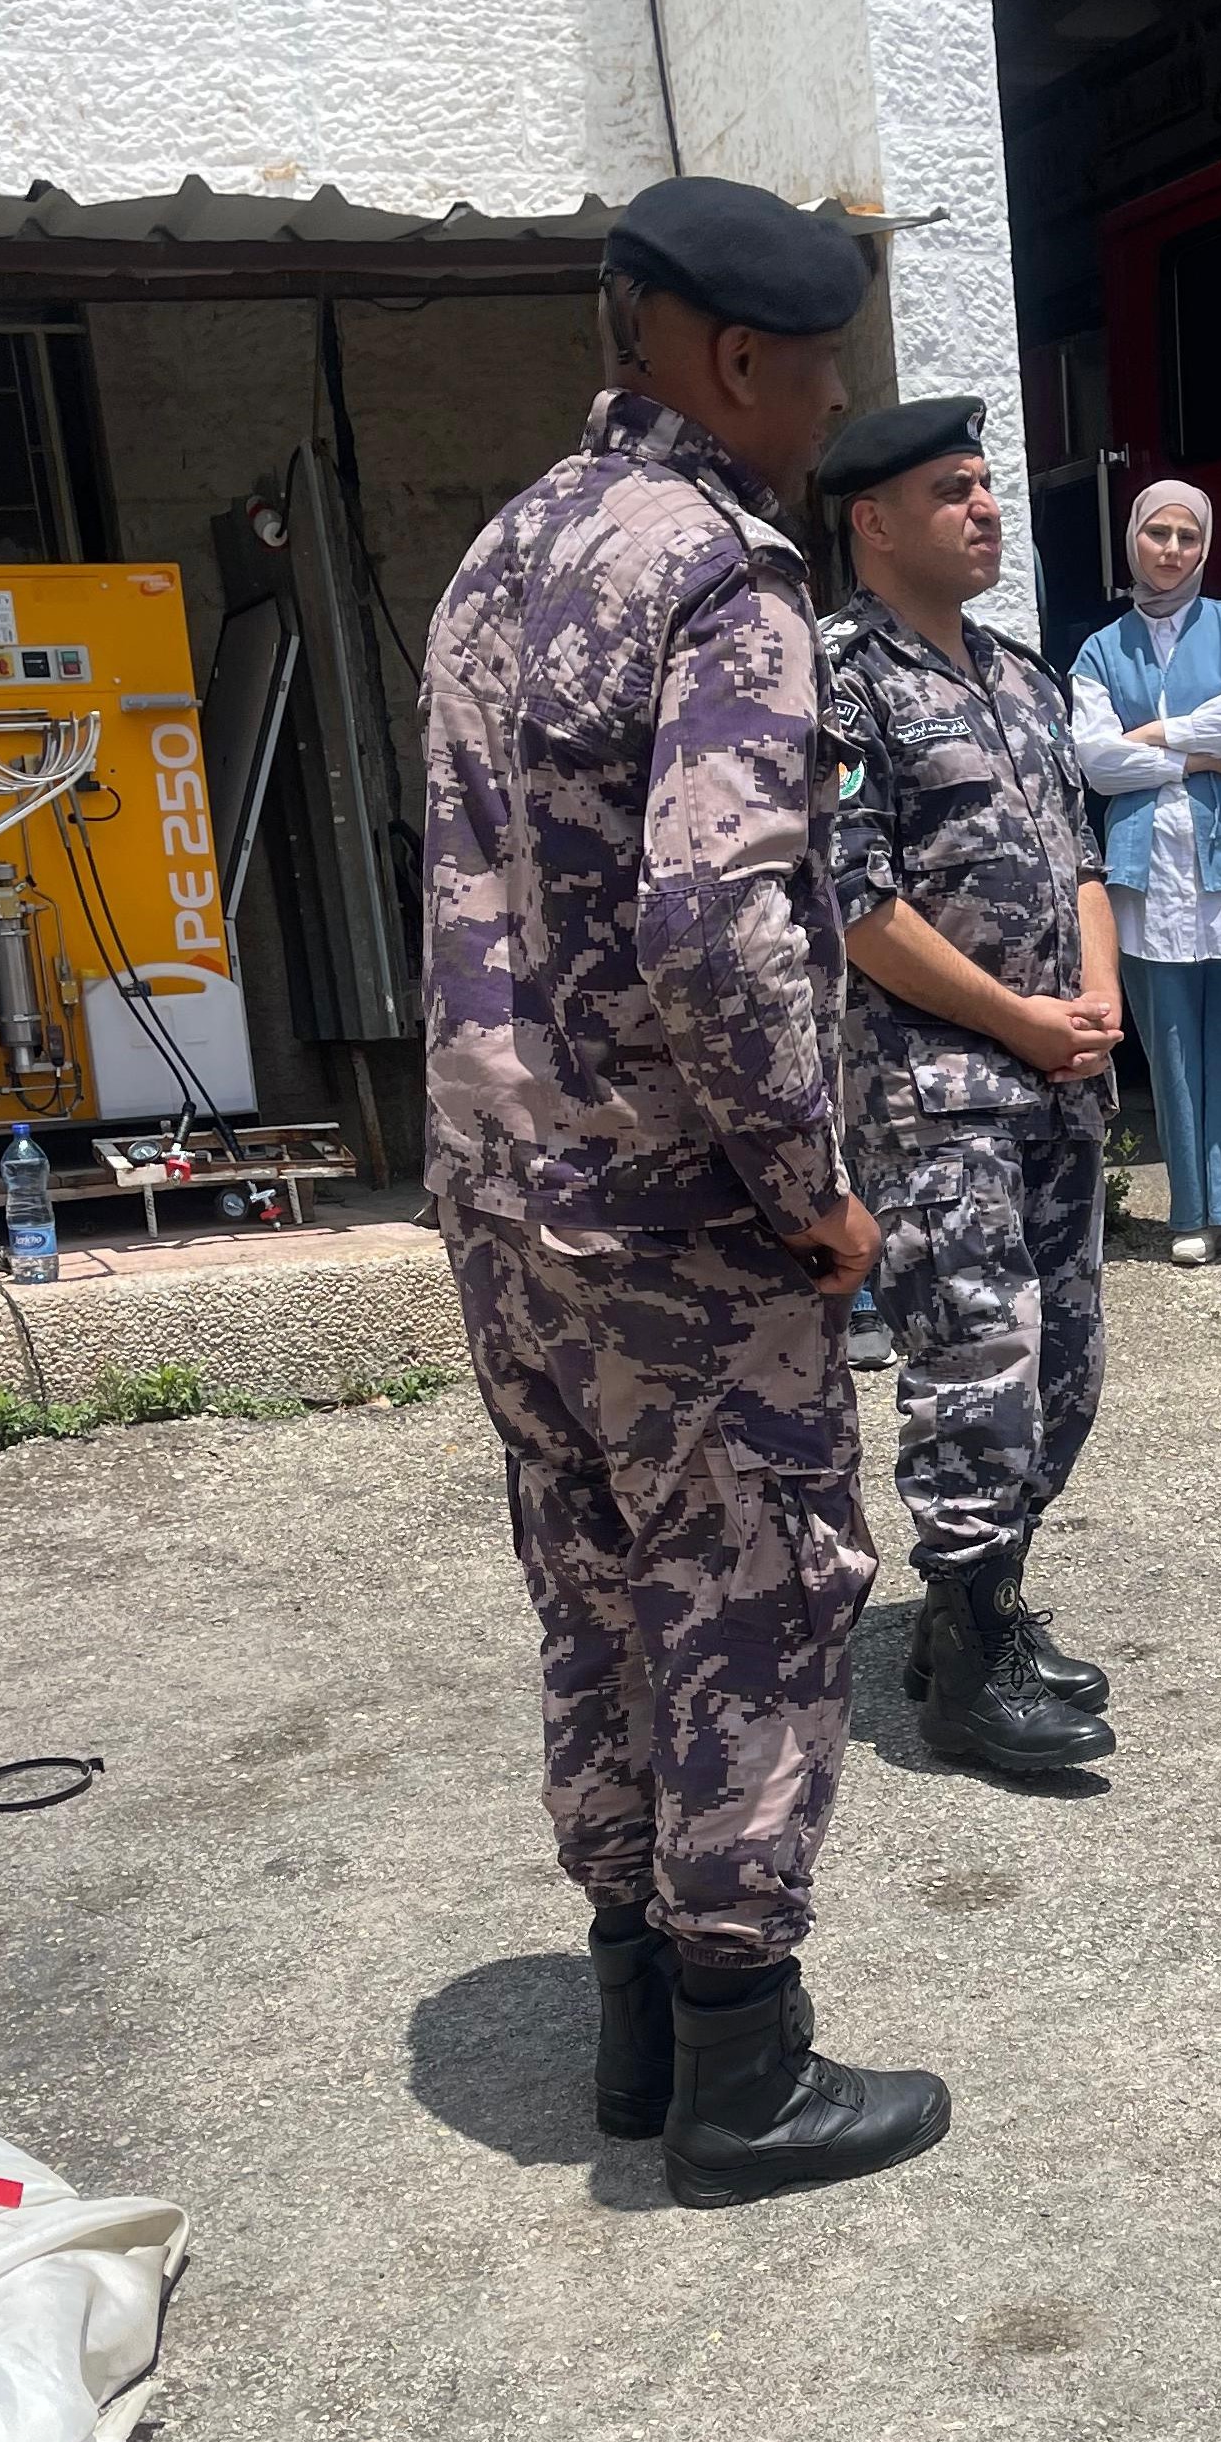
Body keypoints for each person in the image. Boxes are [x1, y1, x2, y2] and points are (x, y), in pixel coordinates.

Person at [421, 174, 949, 2211]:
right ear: (736, 360)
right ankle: (745, 2070)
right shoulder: (723, 571)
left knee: (591, 1583)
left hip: (504, 1191)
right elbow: (717, 924)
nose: (829, 413)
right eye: (819, 375)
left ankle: (635, 2013)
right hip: (672, 1208)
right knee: (749, 1591)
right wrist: (808, 1188)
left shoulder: (503, 550)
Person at [818, 393, 1123, 1780]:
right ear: (875, 523)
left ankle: (974, 1616)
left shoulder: (1021, 675)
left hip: (1058, 1084)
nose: (989, 507)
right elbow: (855, 903)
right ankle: (968, 1668)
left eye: (989, 484)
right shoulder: (842, 679)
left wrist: (1097, 999)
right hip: (938, 1097)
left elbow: (1083, 858)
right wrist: (1020, 1022)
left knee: (1064, 1368)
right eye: (953, 489)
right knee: (974, 1367)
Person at [1071, 482, 1221, 1276]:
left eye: (1187, 536)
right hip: (1149, 875)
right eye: (1158, 533)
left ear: (1204, 547)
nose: (1172, 549)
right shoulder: (1099, 650)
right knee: (1173, 1048)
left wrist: (1156, 733)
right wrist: (1193, 760)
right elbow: (1095, 761)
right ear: (1133, 540)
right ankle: (1197, 1212)